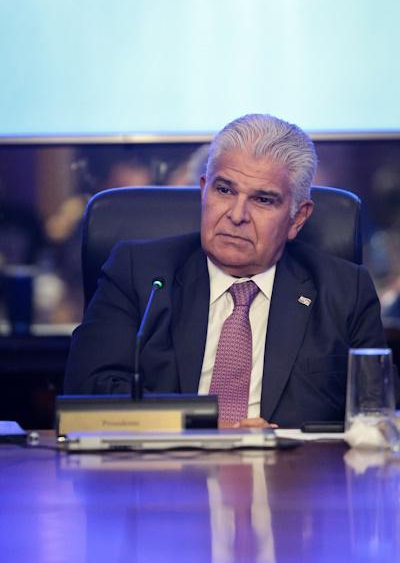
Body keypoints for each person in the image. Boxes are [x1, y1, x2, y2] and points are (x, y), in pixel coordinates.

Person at [64, 113, 397, 428]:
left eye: (263, 200)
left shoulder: (344, 291)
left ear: (298, 217)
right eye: (224, 190)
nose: (237, 215)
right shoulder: (139, 273)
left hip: (292, 467)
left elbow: (375, 416)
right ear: (204, 190)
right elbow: (88, 393)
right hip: (166, 466)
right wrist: (211, 428)